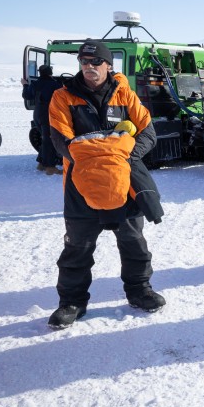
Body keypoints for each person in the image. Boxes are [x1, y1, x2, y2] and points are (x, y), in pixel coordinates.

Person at [46, 40, 166, 329]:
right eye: (84, 62)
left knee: (134, 242)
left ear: (108, 65)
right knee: (78, 247)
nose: (89, 67)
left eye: (95, 62)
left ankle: (139, 290)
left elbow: (148, 133)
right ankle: (72, 302)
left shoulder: (125, 93)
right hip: (80, 185)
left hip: (123, 183)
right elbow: (62, 142)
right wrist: (115, 149)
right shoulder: (62, 97)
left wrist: (119, 157)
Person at [22, 64, 63, 175]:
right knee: (50, 141)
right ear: (50, 73)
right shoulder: (55, 85)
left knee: (45, 139)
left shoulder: (35, 83)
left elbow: (27, 96)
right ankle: (50, 167)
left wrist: (25, 85)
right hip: (49, 115)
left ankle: (41, 164)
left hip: (37, 115)